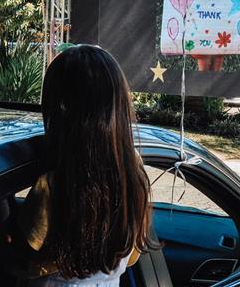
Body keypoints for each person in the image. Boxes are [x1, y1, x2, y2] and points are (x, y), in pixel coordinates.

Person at [12, 45, 155, 286]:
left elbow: (20, 260)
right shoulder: (132, 172)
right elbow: (131, 259)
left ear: (59, 110)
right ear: (118, 109)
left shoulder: (52, 185)